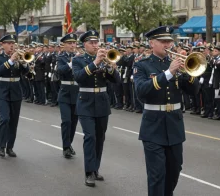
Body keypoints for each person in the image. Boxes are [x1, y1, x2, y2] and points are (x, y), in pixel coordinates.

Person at [133, 26, 199, 196]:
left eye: (169, 41)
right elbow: (141, 91)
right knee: (157, 174)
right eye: (163, 41)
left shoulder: (177, 65)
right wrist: (169, 73)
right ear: (152, 43)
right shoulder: (142, 65)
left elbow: (194, 91)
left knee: (175, 169)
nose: (168, 44)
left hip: (174, 124)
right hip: (153, 125)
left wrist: (190, 72)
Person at [72, 30, 120, 187]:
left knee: (100, 138)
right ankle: (89, 172)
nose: (95, 45)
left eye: (96, 42)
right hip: (85, 102)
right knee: (90, 136)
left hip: (102, 102)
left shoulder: (105, 59)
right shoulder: (78, 60)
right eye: (91, 42)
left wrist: (112, 67)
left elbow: (116, 80)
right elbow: (79, 77)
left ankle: (95, 168)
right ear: (84, 44)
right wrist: (95, 63)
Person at [0, 34, 29, 157]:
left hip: (16, 91)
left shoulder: (18, 56)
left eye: (12, 43)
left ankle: (10, 147)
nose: (11, 45)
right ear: (2, 45)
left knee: (14, 121)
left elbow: (26, 72)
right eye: (8, 43)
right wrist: (10, 61)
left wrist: (24, 63)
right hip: (2, 91)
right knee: (5, 119)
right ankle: (2, 146)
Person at [57, 33, 79, 158]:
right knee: (66, 121)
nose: (72, 45)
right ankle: (66, 147)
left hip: (77, 92)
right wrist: (71, 63)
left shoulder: (80, 57)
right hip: (65, 92)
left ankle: (69, 144)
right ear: (64, 45)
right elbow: (60, 70)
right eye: (69, 43)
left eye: (74, 43)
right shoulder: (61, 57)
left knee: (74, 123)